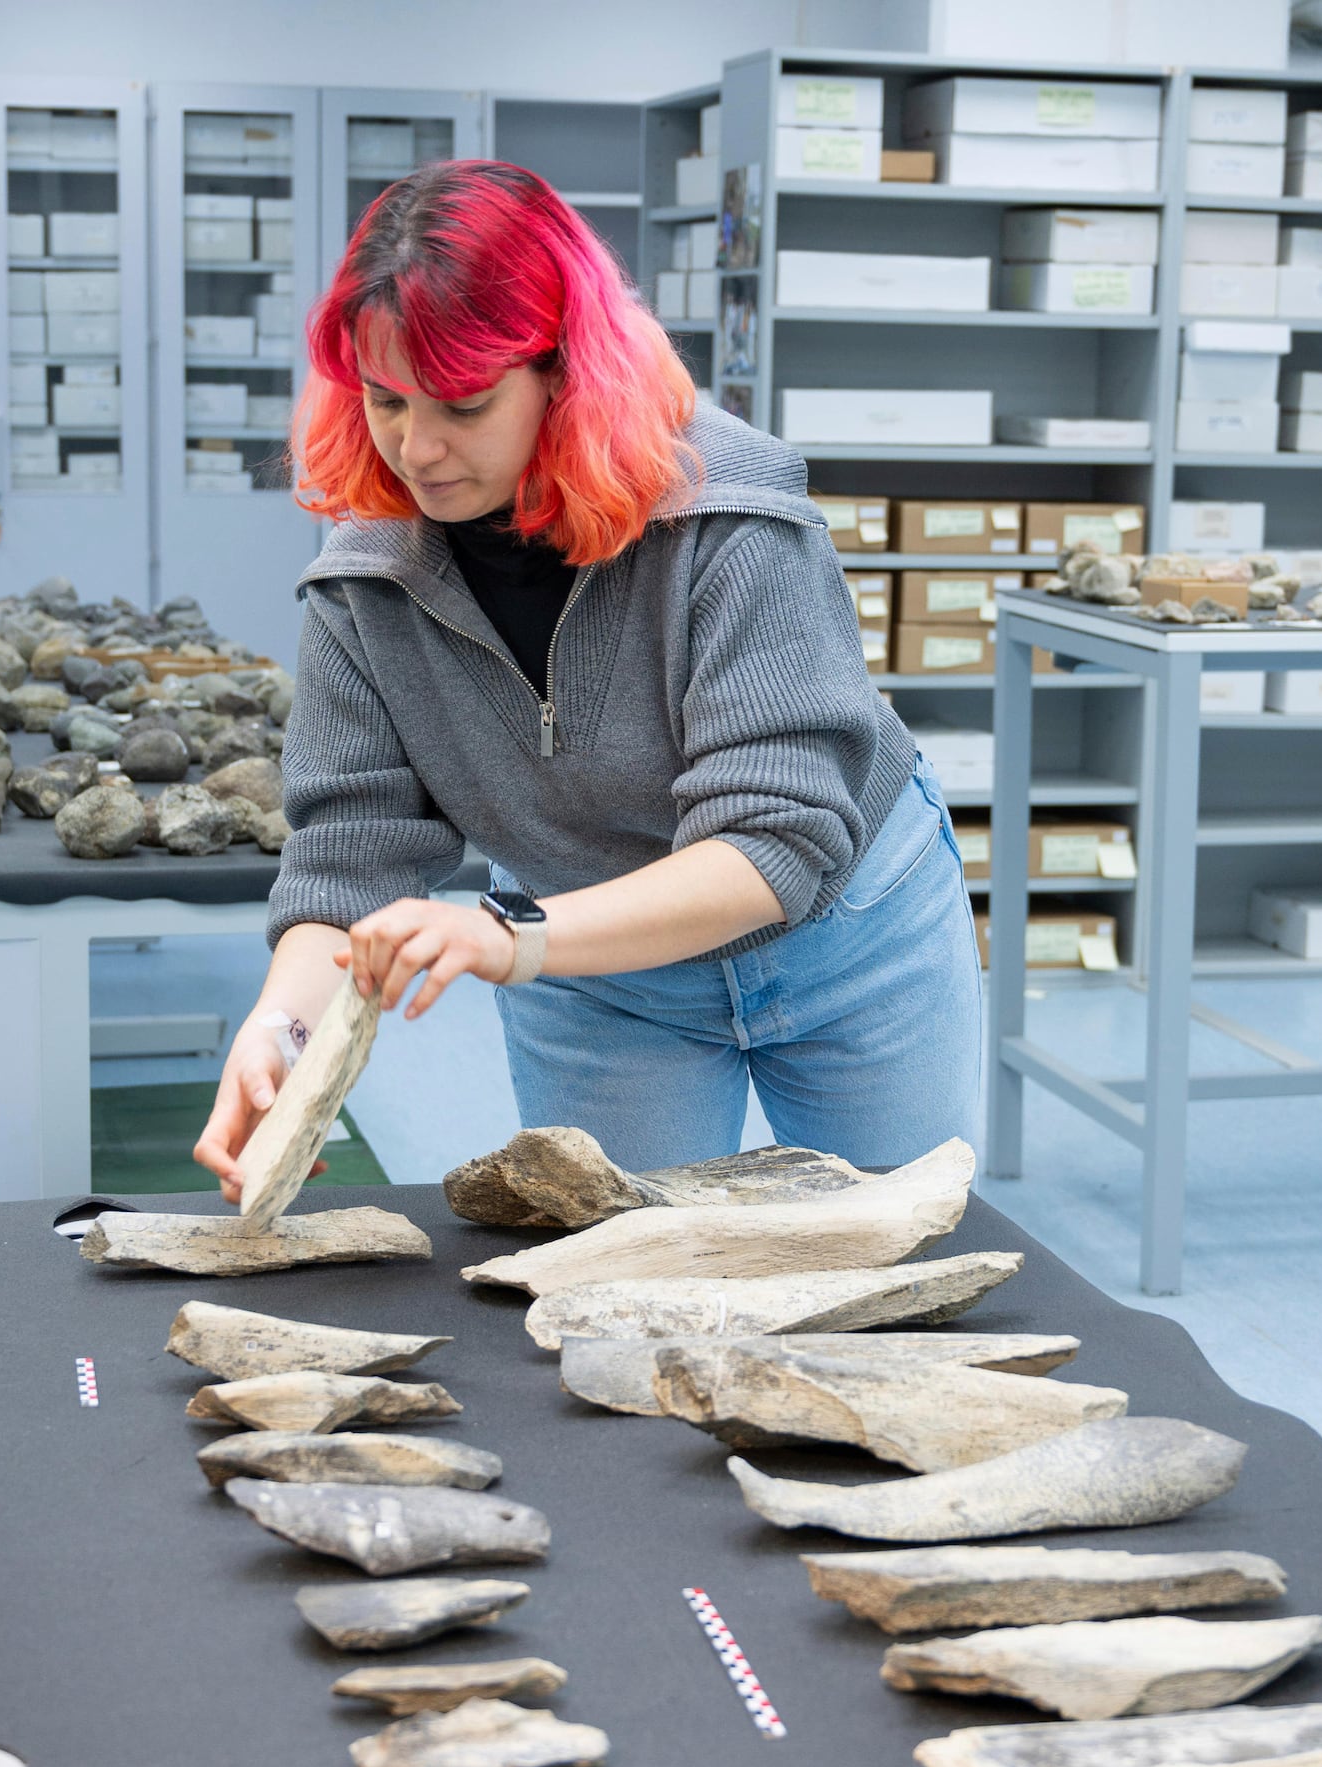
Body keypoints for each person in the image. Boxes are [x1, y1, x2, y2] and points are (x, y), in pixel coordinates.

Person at [194, 160, 981, 1198]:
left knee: (893, 1251)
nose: (415, 447)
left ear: (564, 371)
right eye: (384, 399)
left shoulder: (730, 516)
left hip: (845, 939)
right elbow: (348, 856)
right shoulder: (367, 575)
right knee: (626, 1276)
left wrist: (503, 935)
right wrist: (281, 1027)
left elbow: (772, 845)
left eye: (463, 405)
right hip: (592, 969)